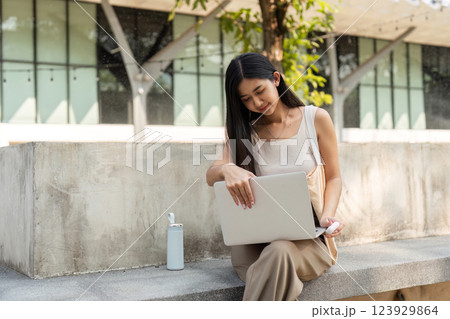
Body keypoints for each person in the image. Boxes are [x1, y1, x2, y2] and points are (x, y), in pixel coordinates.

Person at [205, 52, 344, 301]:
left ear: (276, 79)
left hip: (308, 244)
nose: (256, 102)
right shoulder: (243, 132)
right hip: (253, 247)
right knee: (276, 262)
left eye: (260, 91)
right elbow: (210, 175)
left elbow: (334, 177)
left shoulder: (315, 120)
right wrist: (227, 169)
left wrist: (327, 215)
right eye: (246, 98)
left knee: (280, 252)